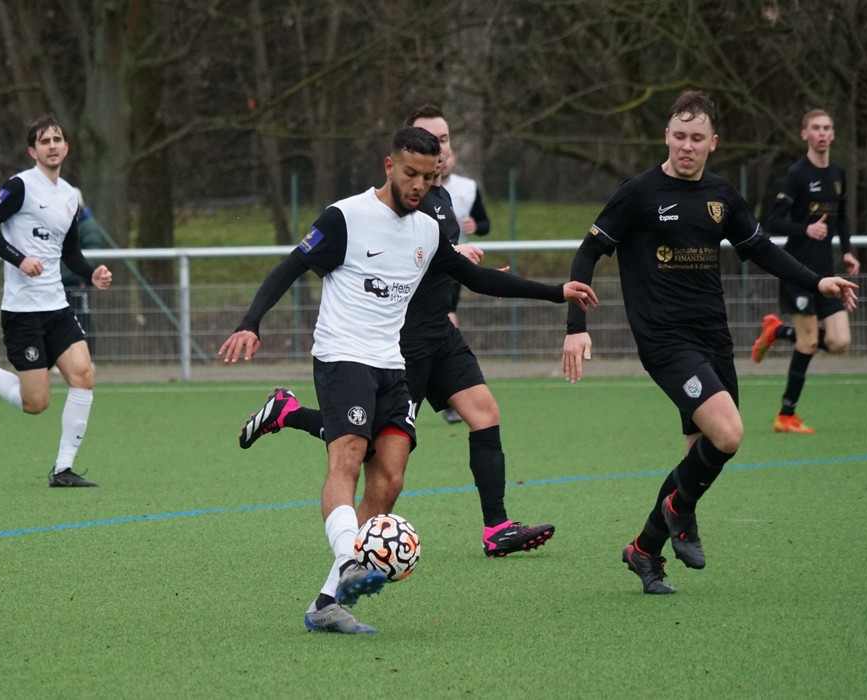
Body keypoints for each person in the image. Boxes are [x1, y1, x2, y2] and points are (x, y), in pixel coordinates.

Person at [219, 126, 596, 634]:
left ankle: (327, 602)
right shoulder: (346, 217)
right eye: (410, 173)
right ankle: (349, 560)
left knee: (390, 480)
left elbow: (476, 278)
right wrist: (251, 322)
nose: (419, 185)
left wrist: (556, 292)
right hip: (342, 356)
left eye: (429, 176)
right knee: (348, 455)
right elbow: (291, 266)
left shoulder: (426, 231)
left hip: (391, 364)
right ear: (389, 166)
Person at [560, 91, 858, 595]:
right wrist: (576, 327)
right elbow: (588, 252)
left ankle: (644, 550)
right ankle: (680, 511)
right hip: (664, 341)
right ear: (666, 137)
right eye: (679, 136)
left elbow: (760, 248)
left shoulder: (721, 194)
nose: (686, 146)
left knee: (702, 454)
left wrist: (817, 281)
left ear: (713, 143)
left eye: (697, 138)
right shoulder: (639, 193)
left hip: (713, 337)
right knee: (729, 434)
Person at [0, 115, 113, 488]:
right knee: (36, 403)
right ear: (32, 151)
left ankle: (62, 470)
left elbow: (69, 251)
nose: (52, 146)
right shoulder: (20, 186)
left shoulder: (69, 196)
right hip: (22, 313)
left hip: (57, 308)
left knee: (83, 375)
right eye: (44, 141)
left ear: (66, 147)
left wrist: (91, 274)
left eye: (57, 139)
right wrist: (19, 259)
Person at [750, 109, 861, 434]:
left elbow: (841, 216)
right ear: (805, 134)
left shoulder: (838, 173)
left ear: (833, 134)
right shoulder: (797, 174)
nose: (822, 133)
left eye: (827, 128)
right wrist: (805, 229)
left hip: (827, 273)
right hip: (798, 273)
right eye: (816, 128)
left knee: (839, 342)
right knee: (809, 342)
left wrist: (848, 251)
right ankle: (786, 415)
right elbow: (774, 222)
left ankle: (777, 331)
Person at [439, 144, 491, 423]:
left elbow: (485, 224)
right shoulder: (415, 190)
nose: (441, 161)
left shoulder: (467, 188)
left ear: (453, 159)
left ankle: (452, 389)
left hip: (452, 264)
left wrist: (476, 226)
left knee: (446, 316)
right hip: (415, 264)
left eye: (446, 156)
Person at [60, 187, 106, 357]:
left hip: (78, 282)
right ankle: (63, 357)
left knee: (82, 319)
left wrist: (84, 275)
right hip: (59, 281)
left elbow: (92, 252)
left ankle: (88, 356)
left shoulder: (87, 226)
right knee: (59, 321)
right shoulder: (60, 223)